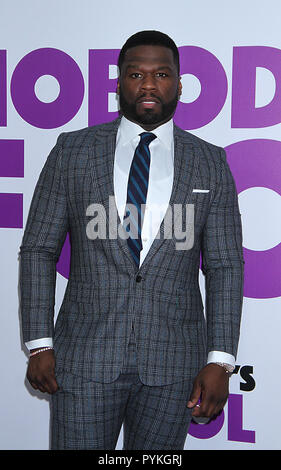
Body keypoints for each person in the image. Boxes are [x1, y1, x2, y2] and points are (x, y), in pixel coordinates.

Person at [19, 30, 245, 450]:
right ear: (119, 83)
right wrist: (38, 343)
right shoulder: (72, 152)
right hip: (83, 358)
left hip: (174, 364)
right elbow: (37, 250)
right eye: (135, 73)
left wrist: (220, 360)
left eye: (161, 74)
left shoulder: (211, 162)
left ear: (178, 84)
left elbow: (225, 266)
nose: (148, 84)